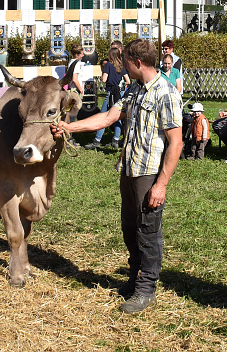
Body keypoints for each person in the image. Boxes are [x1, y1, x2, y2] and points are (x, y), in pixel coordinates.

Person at [50, 38, 182, 314]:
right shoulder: (135, 88)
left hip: (149, 173)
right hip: (129, 170)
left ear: (137, 63)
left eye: (126, 64)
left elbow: (176, 142)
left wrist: (161, 184)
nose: (123, 69)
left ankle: (146, 288)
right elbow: (108, 117)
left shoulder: (165, 93)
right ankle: (135, 278)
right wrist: (69, 128)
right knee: (129, 228)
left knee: (147, 231)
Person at [87, 46, 131, 150]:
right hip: (119, 94)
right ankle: (115, 140)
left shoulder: (108, 65)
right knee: (117, 117)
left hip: (110, 93)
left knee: (103, 116)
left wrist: (105, 74)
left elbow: (103, 79)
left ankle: (97, 140)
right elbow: (128, 81)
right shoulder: (122, 66)